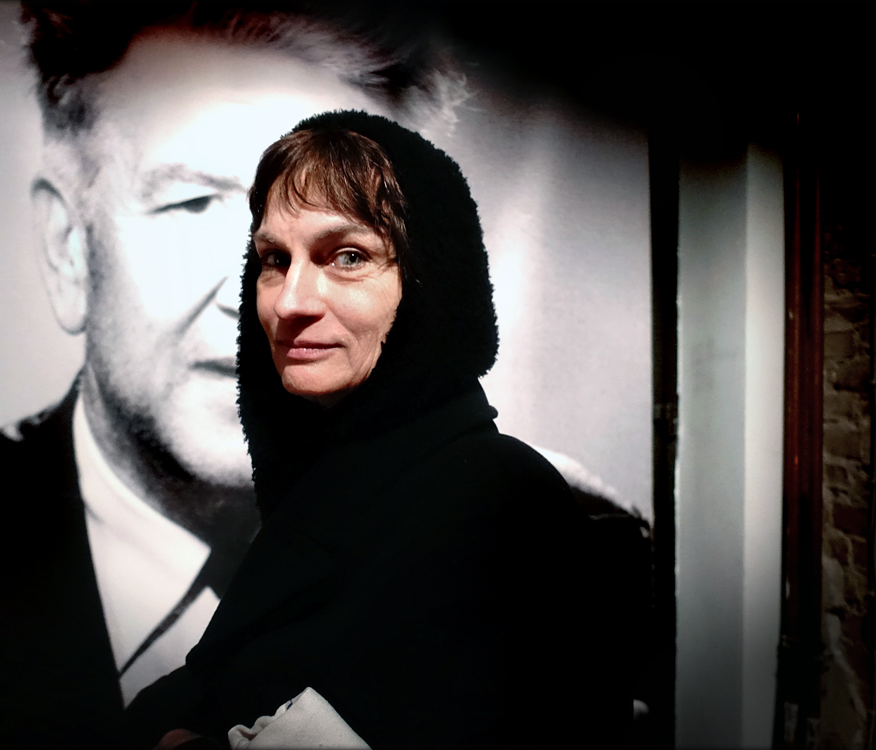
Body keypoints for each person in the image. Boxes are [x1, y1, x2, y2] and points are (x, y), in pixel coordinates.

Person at [0, 4, 464, 746]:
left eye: (345, 232)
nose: (275, 299)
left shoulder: (556, 572)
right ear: (68, 249)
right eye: (194, 204)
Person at [121, 111, 632, 750]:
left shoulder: (497, 497)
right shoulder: (325, 490)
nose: (289, 302)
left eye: (348, 256)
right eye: (275, 260)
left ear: (428, 286)